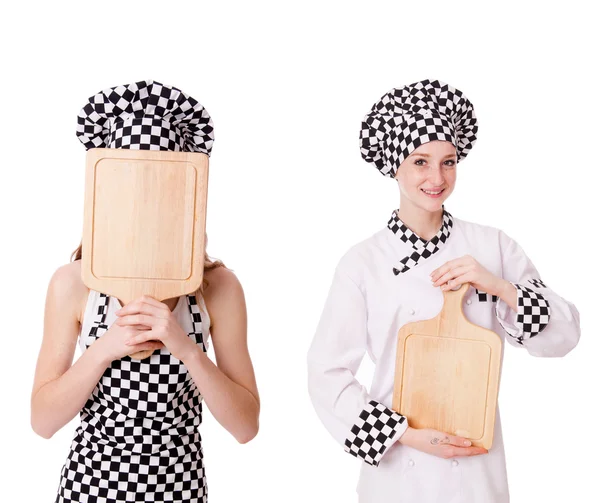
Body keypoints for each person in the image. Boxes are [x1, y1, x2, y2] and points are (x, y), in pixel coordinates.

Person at [306, 79, 580, 503]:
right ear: (393, 165)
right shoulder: (363, 262)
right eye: (421, 161)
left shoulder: (493, 246)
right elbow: (326, 376)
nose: (437, 177)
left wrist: (497, 285)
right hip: (398, 474)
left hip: (477, 469)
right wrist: (407, 436)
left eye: (448, 162)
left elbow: (564, 337)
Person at [30, 80, 260, 503]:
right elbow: (42, 422)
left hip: (180, 490)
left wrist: (187, 348)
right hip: (90, 488)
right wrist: (103, 349)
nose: (144, 203)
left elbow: (246, 427)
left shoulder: (218, 288)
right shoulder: (73, 283)